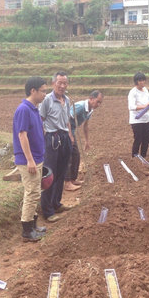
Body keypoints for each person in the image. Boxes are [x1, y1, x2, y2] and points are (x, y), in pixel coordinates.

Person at [12, 77, 48, 242]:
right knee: (31, 192)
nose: (45, 94)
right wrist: (30, 160)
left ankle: (33, 225)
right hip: (29, 160)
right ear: (33, 91)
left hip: (37, 157)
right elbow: (22, 135)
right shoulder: (23, 110)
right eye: (43, 91)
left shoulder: (34, 109)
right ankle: (27, 230)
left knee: (35, 192)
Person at [39, 72, 74, 222]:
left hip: (65, 138)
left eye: (65, 83)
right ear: (53, 83)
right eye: (59, 82)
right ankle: (47, 211)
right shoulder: (47, 100)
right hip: (52, 138)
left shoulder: (67, 100)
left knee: (61, 173)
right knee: (50, 175)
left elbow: (67, 121)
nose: (62, 86)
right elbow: (40, 120)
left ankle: (56, 203)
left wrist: (70, 135)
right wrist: (43, 138)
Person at [64, 90, 104, 191]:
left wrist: (87, 141)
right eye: (97, 102)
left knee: (76, 155)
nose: (98, 105)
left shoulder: (90, 110)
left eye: (100, 103)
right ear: (91, 99)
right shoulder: (80, 106)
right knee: (68, 156)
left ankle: (73, 179)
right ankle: (67, 183)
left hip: (72, 131)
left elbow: (85, 126)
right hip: (65, 131)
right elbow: (67, 119)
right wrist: (70, 135)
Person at [128, 72, 149, 158]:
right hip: (136, 120)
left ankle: (143, 156)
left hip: (146, 119)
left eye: (143, 80)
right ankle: (135, 157)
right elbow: (131, 107)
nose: (142, 82)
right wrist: (145, 106)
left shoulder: (145, 90)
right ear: (136, 82)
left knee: (146, 139)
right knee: (138, 139)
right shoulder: (133, 92)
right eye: (140, 81)